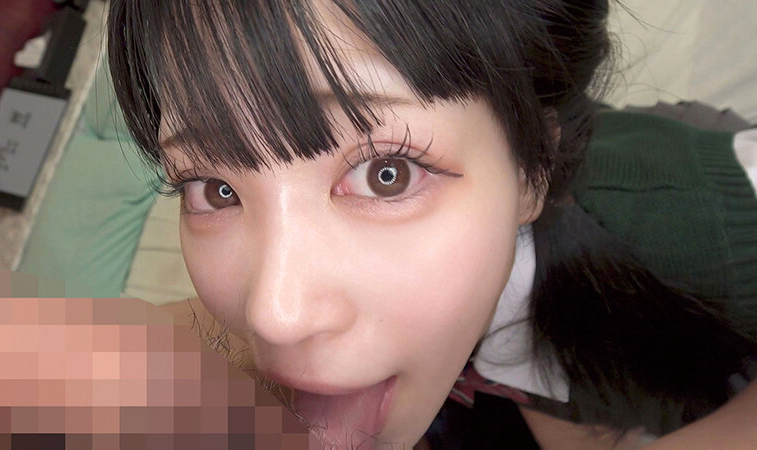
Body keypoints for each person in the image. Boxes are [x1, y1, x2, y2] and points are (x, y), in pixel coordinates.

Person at [105, 0, 757, 448]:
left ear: (533, 169)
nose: (274, 314)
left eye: (385, 173)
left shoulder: (702, 216)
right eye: (213, 188)